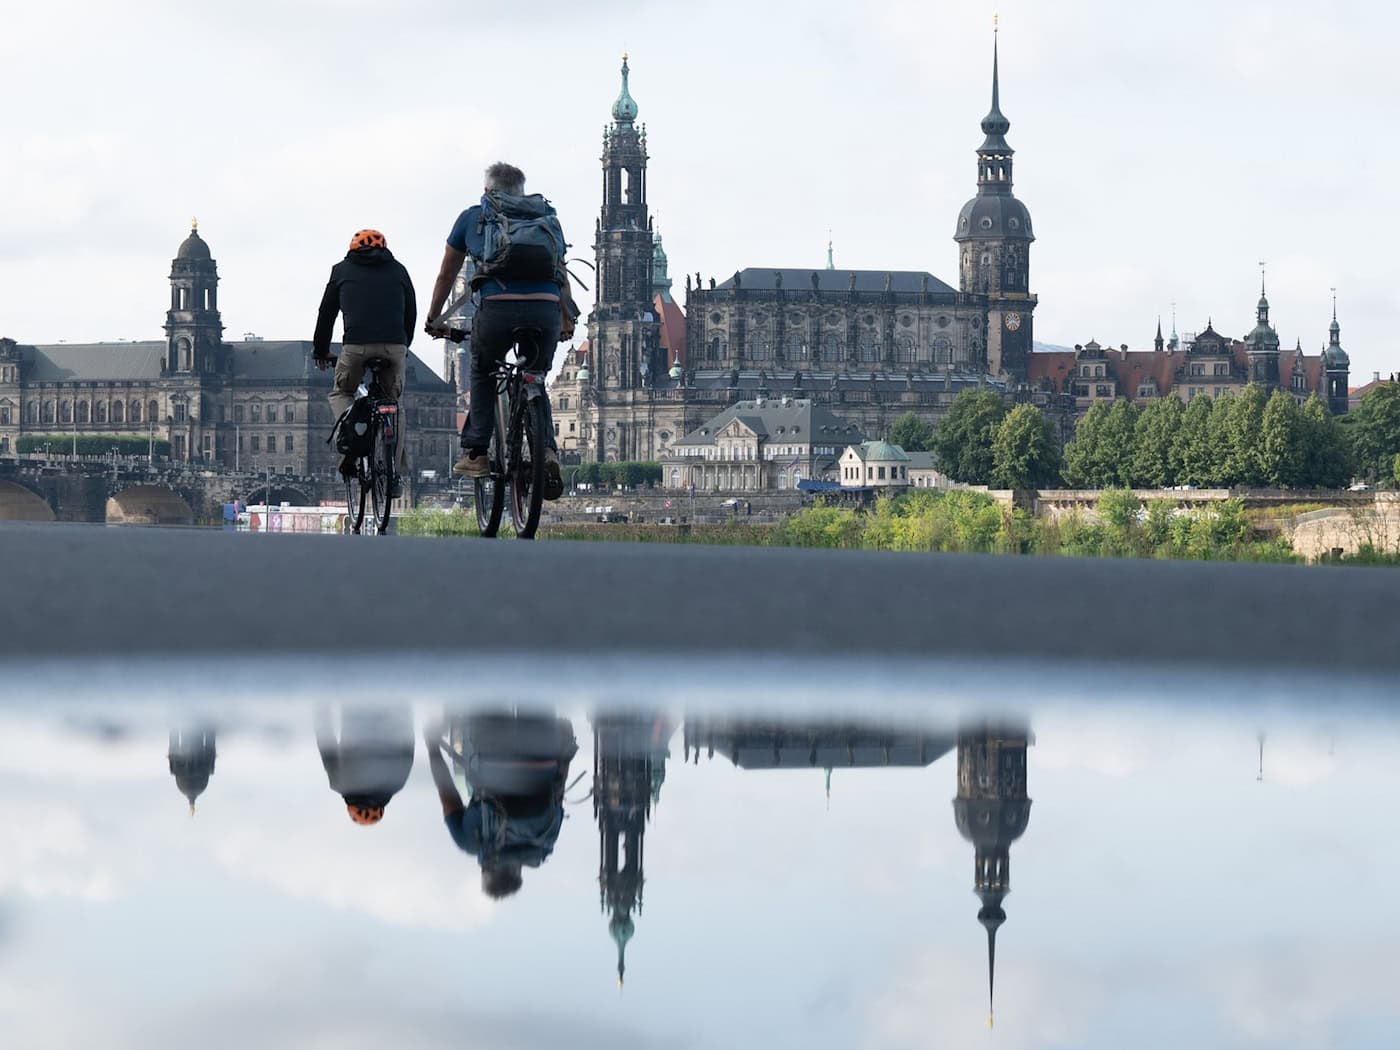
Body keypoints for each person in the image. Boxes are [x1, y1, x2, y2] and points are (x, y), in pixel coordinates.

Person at [423, 163, 577, 498]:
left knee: (483, 370)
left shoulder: (473, 217)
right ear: (522, 191)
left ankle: (477, 451)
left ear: (488, 190)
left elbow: (446, 274)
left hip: (497, 309)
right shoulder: (547, 218)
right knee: (536, 376)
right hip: (545, 310)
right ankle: (547, 450)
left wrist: (434, 317)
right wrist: (566, 319)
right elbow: (560, 273)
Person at [423, 710, 577, 899]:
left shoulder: (545, 841)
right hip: (491, 750)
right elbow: (447, 793)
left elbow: (558, 788)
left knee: (538, 696)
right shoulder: (470, 843)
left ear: (518, 870)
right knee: (488, 694)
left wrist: (565, 747)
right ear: (485, 870)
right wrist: (432, 747)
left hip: (541, 752)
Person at [312, 229, 417, 485]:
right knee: (394, 404)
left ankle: (350, 442)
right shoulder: (399, 270)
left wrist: (321, 350)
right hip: (395, 346)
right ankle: (394, 472)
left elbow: (326, 314)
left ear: (352, 249)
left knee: (342, 393)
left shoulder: (341, 270)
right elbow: (411, 312)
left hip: (356, 346)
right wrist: (404, 345)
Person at [314, 705, 416, 826]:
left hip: (393, 711)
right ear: (350, 808)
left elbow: (408, 743)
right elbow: (325, 736)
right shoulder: (340, 784)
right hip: (354, 711)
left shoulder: (397, 784)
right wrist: (320, 707)